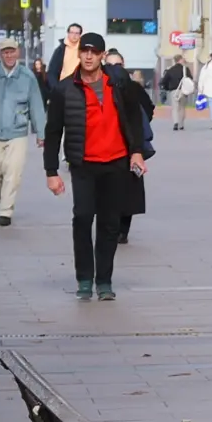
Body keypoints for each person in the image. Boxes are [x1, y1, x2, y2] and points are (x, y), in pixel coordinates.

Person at [43, 30, 148, 300]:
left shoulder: (118, 83)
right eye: (84, 51)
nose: (88, 56)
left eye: (94, 52)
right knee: (82, 218)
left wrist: (136, 152)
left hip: (116, 163)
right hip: (84, 164)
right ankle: (84, 279)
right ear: (79, 53)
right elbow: (53, 132)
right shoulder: (65, 89)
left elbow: (135, 117)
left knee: (110, 223)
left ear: (102, 55)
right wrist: (51, 172)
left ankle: (104, 280)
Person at [0, 40, 47, 226]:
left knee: (13, 171)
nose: (9, 55)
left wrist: (41, 133)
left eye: (12, 51)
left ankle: (5, 211)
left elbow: (36, 105)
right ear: (0, 54)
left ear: (18, 52)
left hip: (17, 131)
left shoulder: (27, 77)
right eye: (5, 52)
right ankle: (2, 198)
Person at [105, 50, 156, 245]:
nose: (114, 69)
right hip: (113, 144)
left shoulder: (132, 88)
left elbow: (147, 108)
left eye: (117, 65)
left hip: (132, 146)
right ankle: (116, 227)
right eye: (110, 65)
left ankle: (122, 229)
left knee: (130, 188)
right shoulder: (104, 88)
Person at [46, 23, 83, 88]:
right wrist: (56, 88)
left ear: (80, 35)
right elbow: (52, 71)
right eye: (72, 32)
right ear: (68, 33)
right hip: (63, 87)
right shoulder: (60, 50)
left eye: (77, 33)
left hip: (80, 87)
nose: (74, 35)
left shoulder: (84, 49)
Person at [160, 54, 190, 130]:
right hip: (184, 90)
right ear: (180, 59)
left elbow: (164, 81)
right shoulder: (185, 69)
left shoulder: (170, 70)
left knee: (175, 108)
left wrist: (166, 88)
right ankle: (181, 124)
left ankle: (175, 123)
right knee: (182, 107)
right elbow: (190, 79)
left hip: (174, 91)